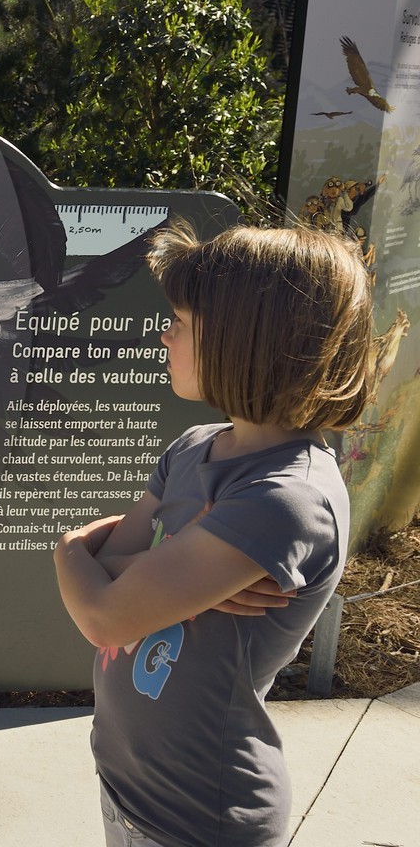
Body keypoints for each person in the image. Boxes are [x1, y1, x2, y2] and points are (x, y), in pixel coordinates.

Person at [53, 220, 374, 847]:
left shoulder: (287, 497)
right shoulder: (194, 447)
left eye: (180, 318)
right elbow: (118, 557)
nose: (165, 333)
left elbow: (103, 615)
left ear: (246, 341)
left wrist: (70, 550)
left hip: (203, 815)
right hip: (127, 785)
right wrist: (162, 569)